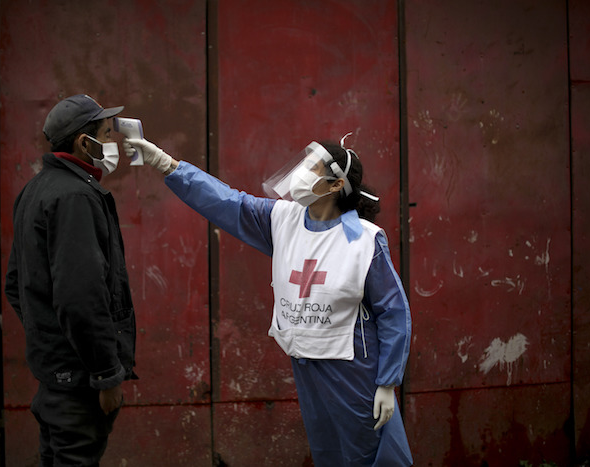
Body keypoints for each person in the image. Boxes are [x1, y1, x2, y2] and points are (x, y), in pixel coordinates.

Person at [124, 135, 413, 466]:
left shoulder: (363, 240)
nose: (301, 174)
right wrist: (165, 163)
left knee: (366, 452)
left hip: (352, 366)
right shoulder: (283, 219)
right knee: (328, 451)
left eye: (312, 168)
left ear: (335, 186)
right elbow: (225, 202)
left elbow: (393, 312)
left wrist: (387, 381)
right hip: (306, 362)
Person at [5, 94, 138, 466]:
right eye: (107, 134)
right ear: (84, 143)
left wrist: (51, 343)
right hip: (79, 383)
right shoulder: (76, 196)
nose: (114, 144)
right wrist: (106, 375)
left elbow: (16, 284)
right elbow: (82, 296)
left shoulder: (36, 189)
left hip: (55, 378)